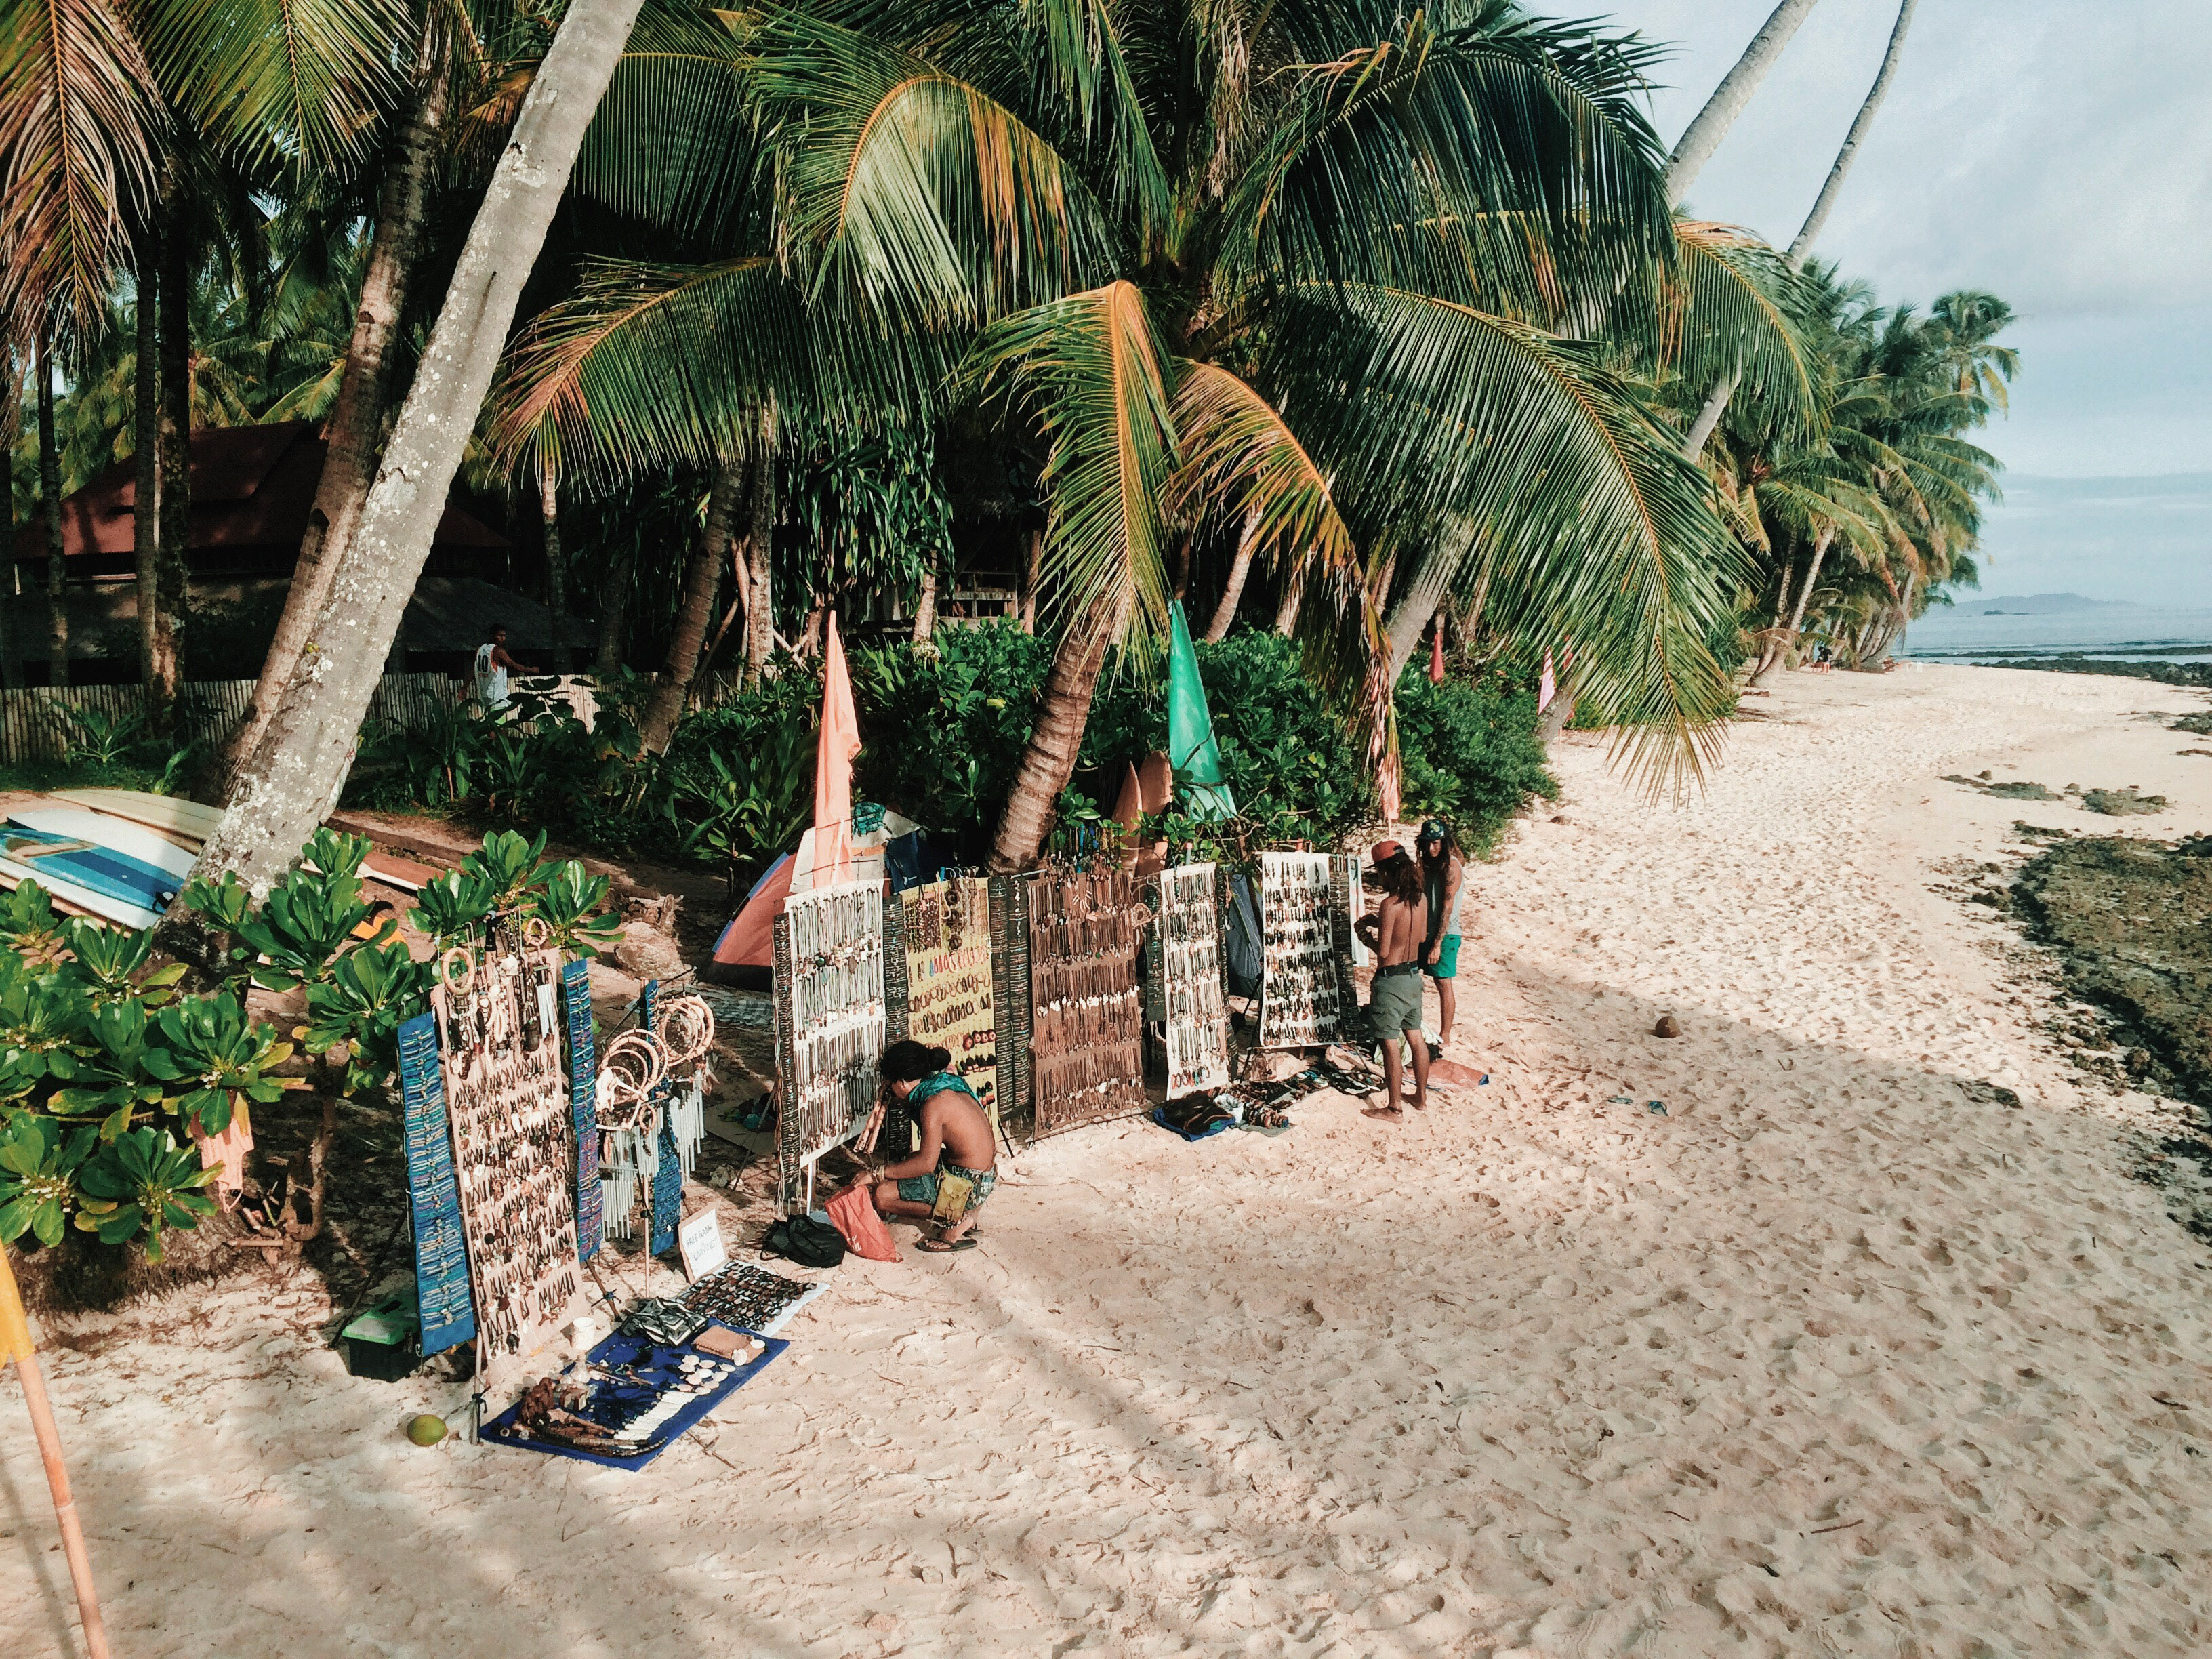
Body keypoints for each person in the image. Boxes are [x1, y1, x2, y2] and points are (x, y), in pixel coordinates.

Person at [863, 1040, 998, 1252]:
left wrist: (876, 1174)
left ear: (903, 1082)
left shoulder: (933, 1105)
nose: (889, 1090)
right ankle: (966, 1211)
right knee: (908, 1161)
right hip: (983, 1174)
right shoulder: (945, 1084)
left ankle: (958, 1218)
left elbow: (926, 1164)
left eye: (890, 1085)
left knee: (883, 1196)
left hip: (970, 1182)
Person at [1353, 841, 1431, 1113]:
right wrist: (1379, 922)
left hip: (1391, 980)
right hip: (1413, 977)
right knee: (1416, 1037)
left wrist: (1365, 938)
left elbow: (1384, 951)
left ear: (1388, 872)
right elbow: (1418, 937)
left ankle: (1394, 1107)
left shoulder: (1390, 904)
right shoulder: (1420, 899)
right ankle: (1420, 1097)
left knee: (1389, 1044)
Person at [1416, 819, 1465, 1061]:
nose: (1431, 849)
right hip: (1425, 929)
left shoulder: (1451, 867)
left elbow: (1447, 908)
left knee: (1443, 981)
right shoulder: (1427, 863)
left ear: (1444, 843)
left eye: (1435, 844)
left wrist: (1437, 943)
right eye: (1427, 844)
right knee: (1413, 976)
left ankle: (1446, 1034)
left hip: (1446, 932)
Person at [472, 623, 537, 713]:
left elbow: (473, 670)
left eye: (504, 636)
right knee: (499, 724)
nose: (503, 638)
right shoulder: (498, 651)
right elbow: (513, 664)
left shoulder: (481, 649)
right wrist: (531, 670)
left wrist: (464, 688)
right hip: (497, 696)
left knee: (489, 722)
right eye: (499, 635)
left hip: (483, 695)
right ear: (492, 636)